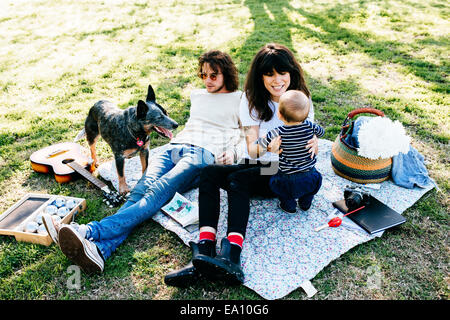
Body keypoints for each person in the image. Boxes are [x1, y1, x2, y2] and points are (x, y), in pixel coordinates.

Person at [43, 50, 245, 274]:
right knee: (140, 189)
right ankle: (101, 250)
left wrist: (234, 154)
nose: (207, 80)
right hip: (175, 147)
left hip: (203, 154)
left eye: (213, 75)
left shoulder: (240, 99)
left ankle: (90, 231)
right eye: (203, 75)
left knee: (158, 190)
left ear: (226, 74)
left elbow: (248, 135)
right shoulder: (198, 95)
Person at [164, 43, 319, 286]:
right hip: (259, 161)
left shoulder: (301, 99)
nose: (277, 80)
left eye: (282, 73)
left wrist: (314, 142)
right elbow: (251, 148)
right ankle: (204, 250)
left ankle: (231, 257)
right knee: (208, 173)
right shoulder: (250, 101)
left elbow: (310, 139)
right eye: (269, 74)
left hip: (283, 173)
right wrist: (268, 147)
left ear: (291, 73)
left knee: (239, 180)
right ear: (260, 76)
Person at [253, 90, 325, 214]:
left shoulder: (278, 132)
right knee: (309, 191)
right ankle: (305, 204)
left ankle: (289, 207)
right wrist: (315, 137)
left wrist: (268, 146)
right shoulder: (310, 126)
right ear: (306, 114)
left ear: (279, 115)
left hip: (288, 180)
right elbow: (321, 132)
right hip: (310, 176)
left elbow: (259, 145)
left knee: (280, 188)